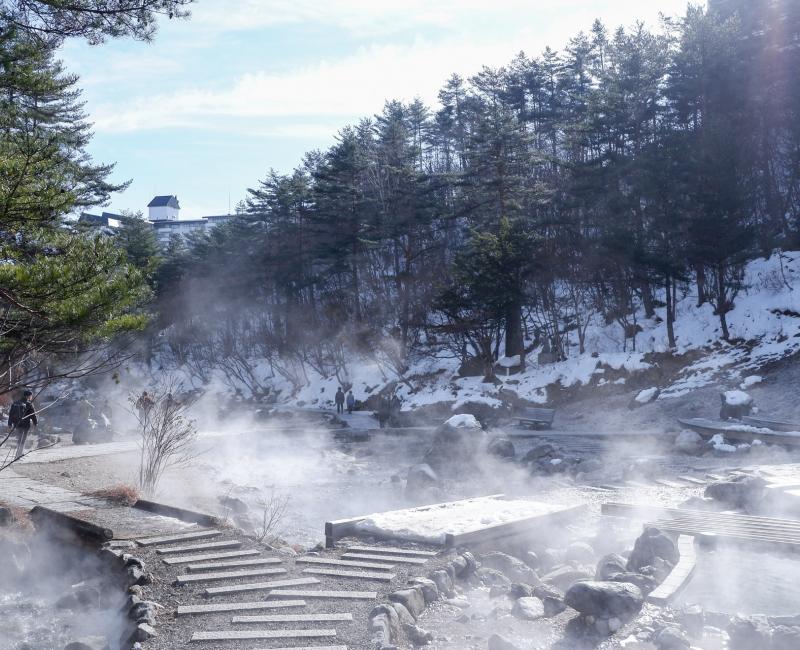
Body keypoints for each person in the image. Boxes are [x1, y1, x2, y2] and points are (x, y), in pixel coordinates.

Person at [8, 390, 37, 460]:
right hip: (25, 425)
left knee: (19, 439)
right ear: (28, 396)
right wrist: (35, 423)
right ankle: (19, 455)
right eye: (31, 395)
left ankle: (17, 455)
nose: (31, 397)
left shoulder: (15, 403)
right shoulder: (29, 404)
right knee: (23, 440)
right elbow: (33, 415)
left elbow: (11, 414)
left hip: (17, 424)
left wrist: (9, 424)